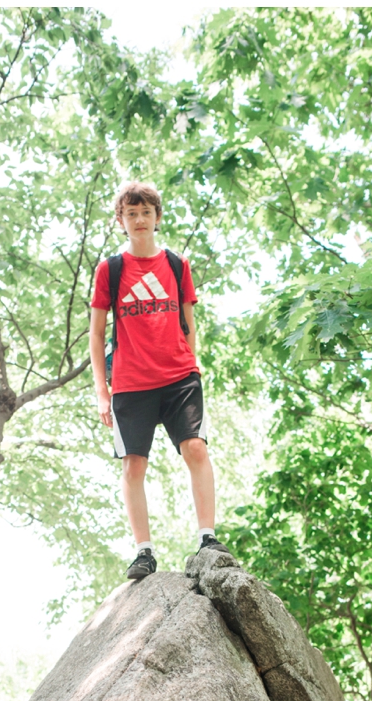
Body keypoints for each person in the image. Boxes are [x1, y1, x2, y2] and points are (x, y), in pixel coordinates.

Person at [89, 181, 227, 580]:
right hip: (131, 383)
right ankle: (143, 551)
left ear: (157, 217)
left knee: (196, 449)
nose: (139, 220)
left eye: (146, 212)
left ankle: (207, 537)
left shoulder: (176, 264)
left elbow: (188, 321)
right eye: (131, 213)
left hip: (179, 377)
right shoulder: (110, 270)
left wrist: (191, 362)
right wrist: (102, 390)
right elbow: (96, 334)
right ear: (121, 221)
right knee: (134, 465)